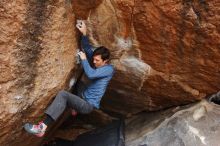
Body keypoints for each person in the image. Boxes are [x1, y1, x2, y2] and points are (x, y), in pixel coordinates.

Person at [24, 21, 114, 137]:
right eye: (94, 59)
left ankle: (42, 127)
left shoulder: (109, 70)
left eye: (97, 61)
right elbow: (87, 49)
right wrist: (84, 34)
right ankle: (73, 107)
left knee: (63, 95)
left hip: (87, 105)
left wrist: (84, 59)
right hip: (83, 94)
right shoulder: (98, 62)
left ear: (105, 61)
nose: (94, 62)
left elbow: (91, 74)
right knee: (78, 82)